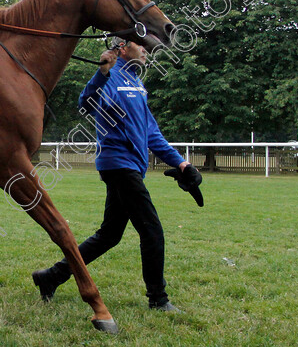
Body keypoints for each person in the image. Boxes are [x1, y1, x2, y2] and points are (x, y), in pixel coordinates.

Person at [32, 38, 204, 312]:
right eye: (141, 44)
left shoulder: (137, 82)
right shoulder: (109, 75)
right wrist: (101, 72)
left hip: (132, 167)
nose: (147, 49)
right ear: (123, 47)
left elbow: (152, 134)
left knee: (109, 235)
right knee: (152, 230)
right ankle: (158, 299)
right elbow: (86, 103)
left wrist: (181, 164)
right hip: (118, 165)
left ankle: (51, 276)